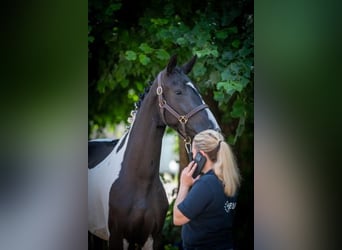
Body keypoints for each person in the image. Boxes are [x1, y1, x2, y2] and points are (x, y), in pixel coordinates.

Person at [173, 129, 241, 250]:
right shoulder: (229, 180)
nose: (193, 157)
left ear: (201, 155)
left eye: (193, 154)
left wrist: (184, 185)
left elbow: (177, 218)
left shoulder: (206, 184)